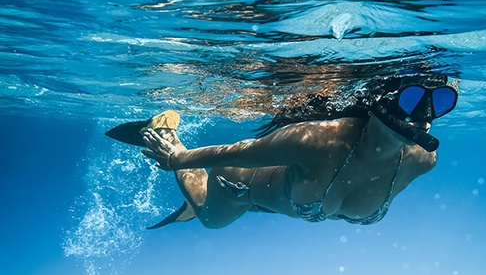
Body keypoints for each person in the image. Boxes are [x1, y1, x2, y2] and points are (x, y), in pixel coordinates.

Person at [136, 73, 458, 229]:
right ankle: (169, 132)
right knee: (208, 217)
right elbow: (239, 153)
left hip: (279, 196)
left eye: (441, 102)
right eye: (412, 99)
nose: (424, 116)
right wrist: (177, 158)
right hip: (239, 183)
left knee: (264, 202)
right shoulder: (320, 141)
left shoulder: (422, 160)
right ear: (379, 104)